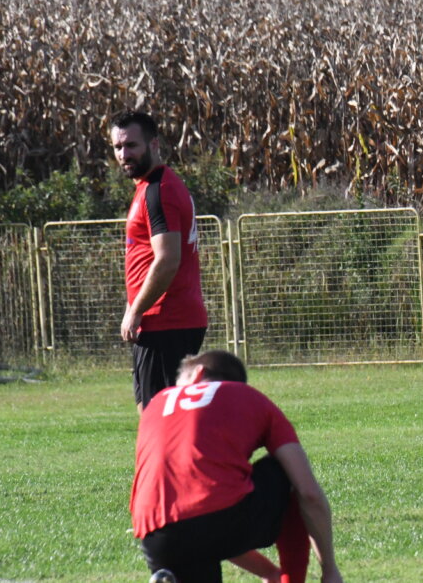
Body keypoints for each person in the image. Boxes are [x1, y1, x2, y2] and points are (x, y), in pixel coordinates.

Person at [131, 349, 343, 583]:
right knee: (285, 473)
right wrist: (330, 570)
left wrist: (267, 572)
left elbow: (193, 517)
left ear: (198, 374)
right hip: (220, 520)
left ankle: (168, 576)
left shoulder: (156, 404)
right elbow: (309, 493)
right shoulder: (247, 396)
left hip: (156, 534)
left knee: (204, 526)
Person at [109, 110, 208, 409]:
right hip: (160, 321)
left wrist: (135, 310)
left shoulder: (158, 191)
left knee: (162, 420)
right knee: (152, 412)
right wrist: (133, 305)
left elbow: (167, 260)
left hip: (168, 320)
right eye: (117, 147)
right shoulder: (150, 187)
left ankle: (214, 455)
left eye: (131, 145)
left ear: (153, 144)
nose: (124, 154)